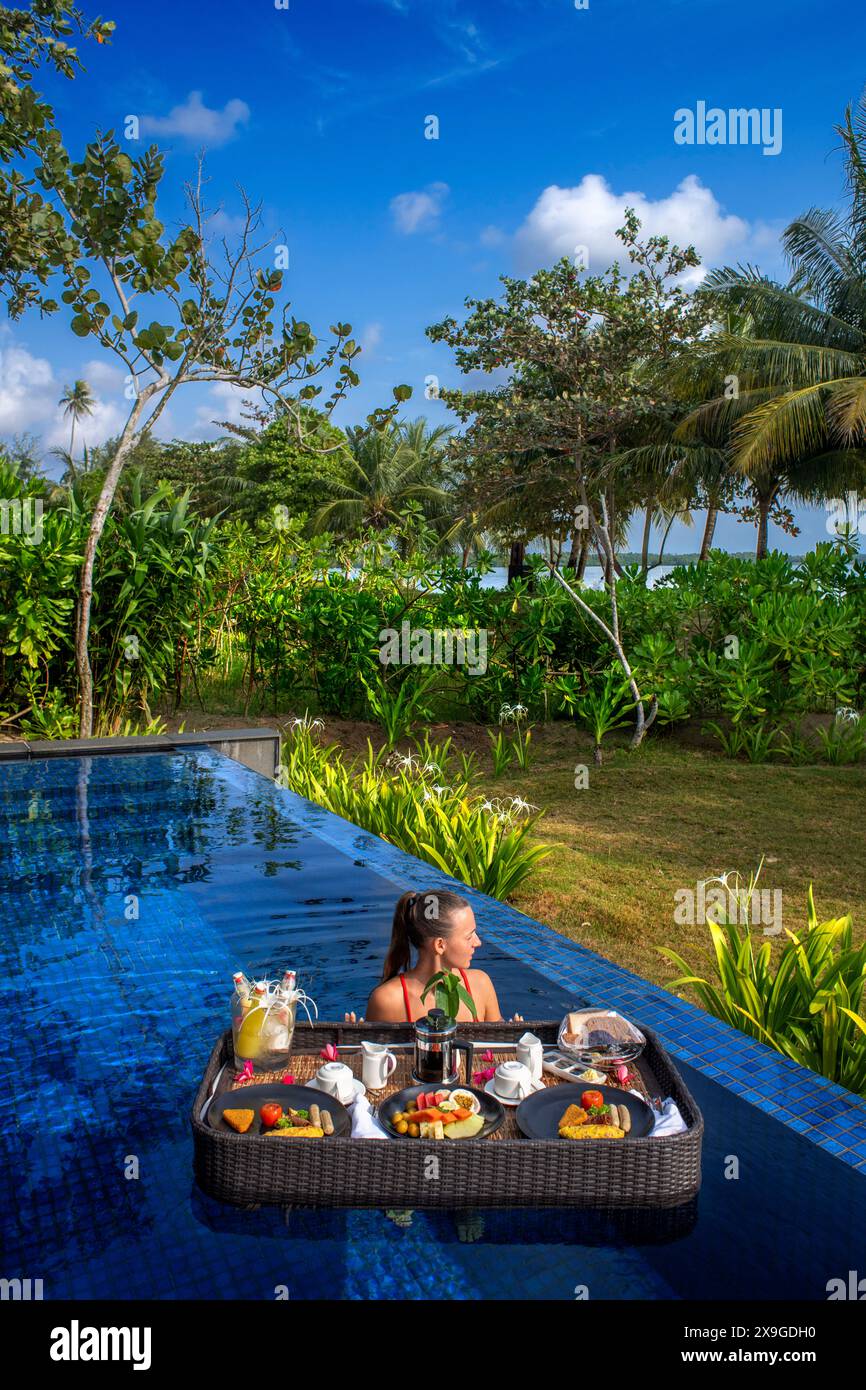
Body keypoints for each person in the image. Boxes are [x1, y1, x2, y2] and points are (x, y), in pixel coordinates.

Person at [344, 888, 523, 1024]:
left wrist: (514, 1040)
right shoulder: (388, 1000)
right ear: (440, 945)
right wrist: (354, 1043)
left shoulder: (480, 985)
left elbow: (496, 1052)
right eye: (469, 936)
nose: (478, 942)